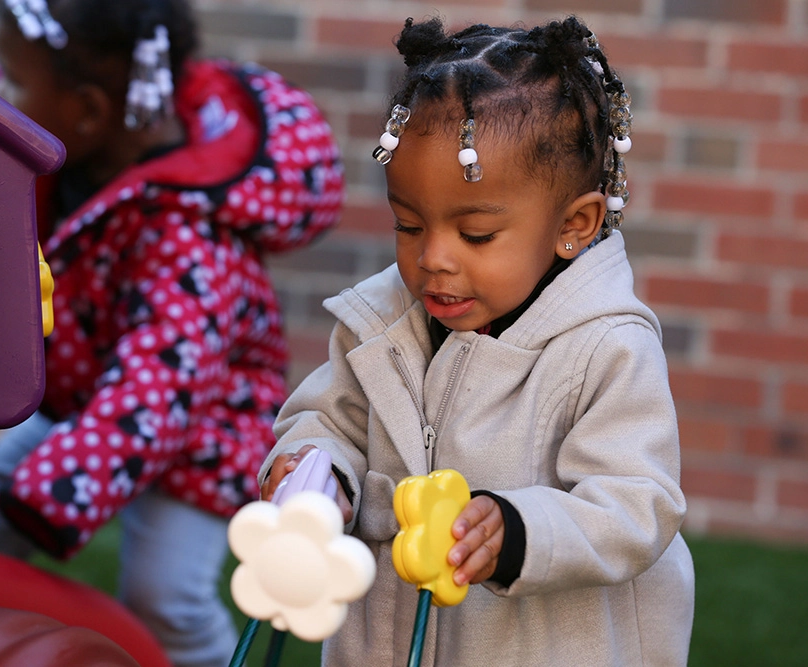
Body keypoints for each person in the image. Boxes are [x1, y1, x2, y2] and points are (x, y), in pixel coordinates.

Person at [259, 15, 694, 666]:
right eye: (409, 225)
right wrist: (317, 471)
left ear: (573, 224)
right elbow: (328, 421)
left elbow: (637, 503)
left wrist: (520, 530)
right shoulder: (378, 323)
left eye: (477, 235)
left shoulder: (608, 346)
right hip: (383, 642)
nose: (434, 257)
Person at [0, 1, 344, 666]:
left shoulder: (184, 236)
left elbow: (158, 390)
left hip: (198, 430)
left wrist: (53, 490)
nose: (4, 94)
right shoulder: (73, 164)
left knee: (166, 596)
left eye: (14, 79)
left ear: (91, 109)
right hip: (96, 409)